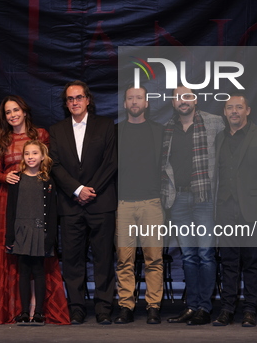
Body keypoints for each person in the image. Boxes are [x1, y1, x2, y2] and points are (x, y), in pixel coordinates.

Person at [0, 95, 69, 325]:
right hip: (10, 199)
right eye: (8, 112)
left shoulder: (41, 135)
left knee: (39, 261)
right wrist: (6, 176)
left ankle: (39, 308)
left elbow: (50, 166)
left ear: (24, 111)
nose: (12, 115)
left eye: (16, 110)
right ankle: (16, 308)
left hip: (37, 199)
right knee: (15, 255)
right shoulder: (2, 140)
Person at [49, 80, 117, 325]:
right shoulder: (56, 130)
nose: (74, 102)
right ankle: (76, 307)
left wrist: (91, 190)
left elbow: (111, 162)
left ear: (88, 99)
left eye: (79, 97)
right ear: (66, 104)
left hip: (101, 203)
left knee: (103, 257)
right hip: (70, 204)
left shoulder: (107, 125)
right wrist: (77, 190)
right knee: (72, 259)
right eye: (70, 99)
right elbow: (54, 165)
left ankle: (104, 308)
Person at [212, 93, 257, 328]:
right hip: (225, 209)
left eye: (238, 107)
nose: (234, 111)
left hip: (253, 210)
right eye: (229, 108)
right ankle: (228, 309)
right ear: (224, 112)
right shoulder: (219, 138)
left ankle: (250, 309)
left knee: (251, 262)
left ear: (248, 111)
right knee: (228, 263)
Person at [163, 86, 224, 326]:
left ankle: (205, 308)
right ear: (173, 103)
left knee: (206, 255)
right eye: (178, 98)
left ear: (195, 100)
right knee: (188, 256)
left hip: (204, 199)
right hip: (177, 199)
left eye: (187, 96)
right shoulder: (167, 129)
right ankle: (192, 306)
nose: (183, 101)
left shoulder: (215, 122)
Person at [114, 84, 164, 324]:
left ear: (146, 103)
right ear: (125, 104)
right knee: (124, 260)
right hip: (123, 204)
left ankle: (153, 305)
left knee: (153, 258)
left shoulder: (160, 131)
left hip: (152, 204)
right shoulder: (115, 132)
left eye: (139, 98)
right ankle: (126, 306)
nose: (135, 102)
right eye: (130, 98)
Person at [5, 140, 58, 327]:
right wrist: (9, 236)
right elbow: (10, 209)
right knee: (24, 271)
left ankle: (39, 313)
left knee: (38, 270)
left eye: (35, 153)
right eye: (27, 154)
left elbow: (52, 212)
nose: (30, 157)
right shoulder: (16, 179)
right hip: (21, 230)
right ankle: (24, 312)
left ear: (42, 156)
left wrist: (49, 238)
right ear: (23, 157)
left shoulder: (47, 181)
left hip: (39, 232)